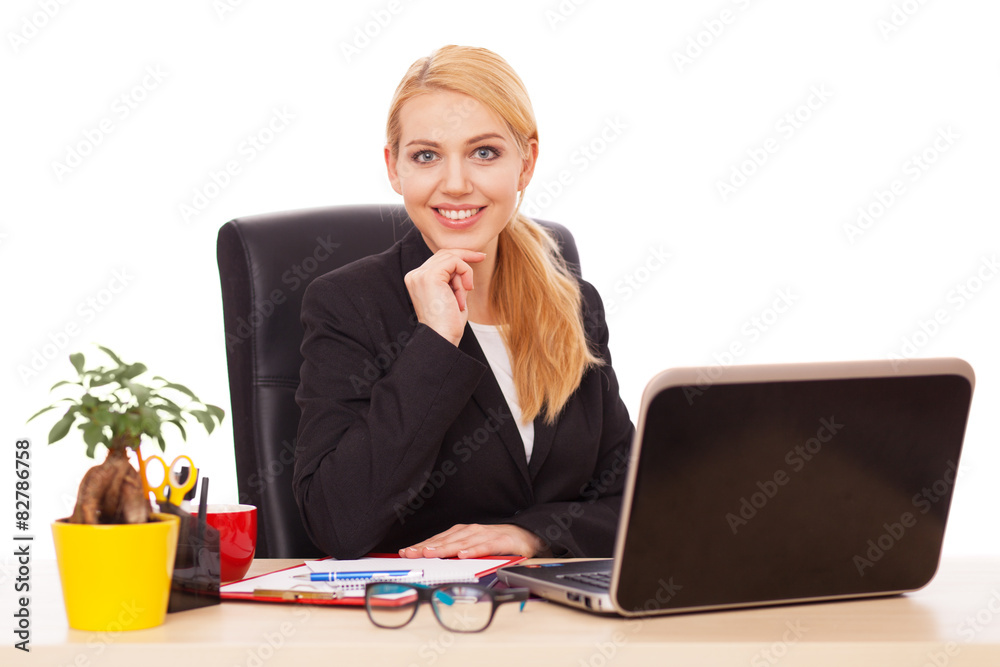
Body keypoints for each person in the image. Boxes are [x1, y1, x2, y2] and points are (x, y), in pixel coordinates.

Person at [293, 45, 634, 560]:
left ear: (526, 163)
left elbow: (634, 499)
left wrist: (532, 534)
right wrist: (433, 343)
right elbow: (338, 524)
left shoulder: (573, 304)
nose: (454, 184)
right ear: (395, 168)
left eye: (484, 152)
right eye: (426, 156)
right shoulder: (348, 304)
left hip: (559, 619)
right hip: (412, 622)